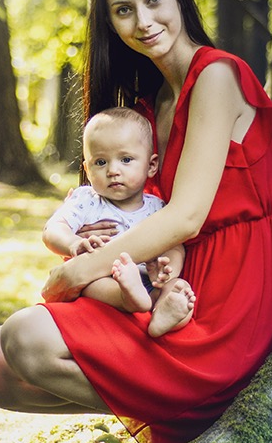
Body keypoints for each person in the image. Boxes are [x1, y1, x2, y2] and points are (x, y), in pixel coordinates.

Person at [0, 0, 272, 443]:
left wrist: (77, 275)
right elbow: (147, 212)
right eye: (123, 10)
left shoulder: (218, 75)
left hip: (223, 303)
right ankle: (167, 402)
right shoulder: (145, 105)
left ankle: (192, 401)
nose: (143, 21)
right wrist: (98, 241)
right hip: (157, 284)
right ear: (110, 23)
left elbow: (185, 217)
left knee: (25, 335)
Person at [42, 106, 194, 337]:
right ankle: (128, 298)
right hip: (105, 280)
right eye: (101, 162)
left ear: (151, 166)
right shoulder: (87, 200)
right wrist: (73, 243)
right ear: (87, 168)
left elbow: (174, 244)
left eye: (125, 159)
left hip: (150, 280)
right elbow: (52, 230)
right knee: (92, 284)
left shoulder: (158, 207)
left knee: (178, 288)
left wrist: (164, 270)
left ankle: (164, 312)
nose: (113, 170)